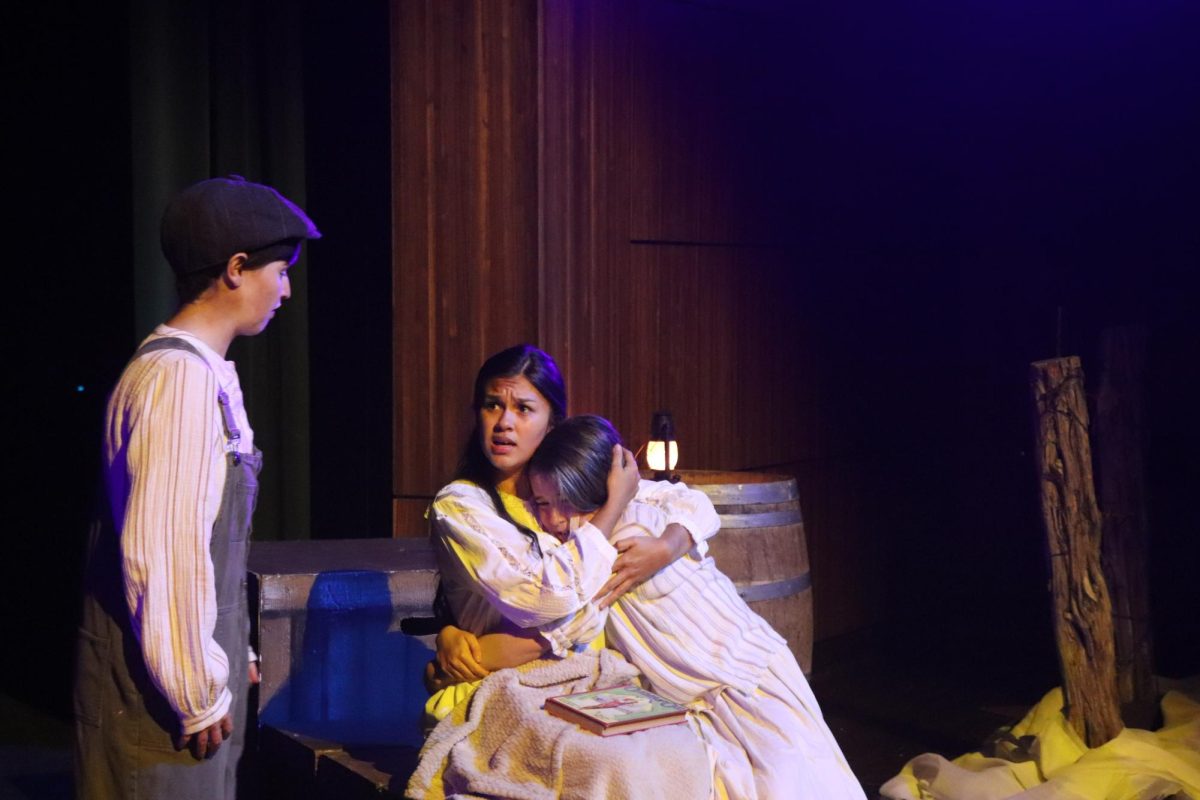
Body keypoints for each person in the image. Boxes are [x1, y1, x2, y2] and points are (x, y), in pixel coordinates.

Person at [74, 175, 320, 799]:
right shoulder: (176, 381)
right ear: (236, 269)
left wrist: (229, 648)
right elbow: (162, 552)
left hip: (188, 677)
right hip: (158, 701)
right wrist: (195, 681)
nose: (287, 288)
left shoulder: (196, 371)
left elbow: (206, 540)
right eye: (280, 270)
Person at [527, 415, 867, 800]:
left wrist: (668, 544)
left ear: (600, 493)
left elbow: (691, 502)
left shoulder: (630, 533)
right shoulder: (581, 549)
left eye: (568, 504)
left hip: (743, 674)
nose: (553, 519)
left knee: (794, 782)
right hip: (700, 695)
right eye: (542, 503)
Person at [425, 344, 720, 711]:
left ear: (552, 422)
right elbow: (546, 597)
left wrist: (666, 547)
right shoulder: (462, 505)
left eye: (523, 408)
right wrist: (612, 507)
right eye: (492, 405)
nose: (504, 422)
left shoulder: (563, 490)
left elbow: (690, 503)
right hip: (510, 685)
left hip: (595, 680)